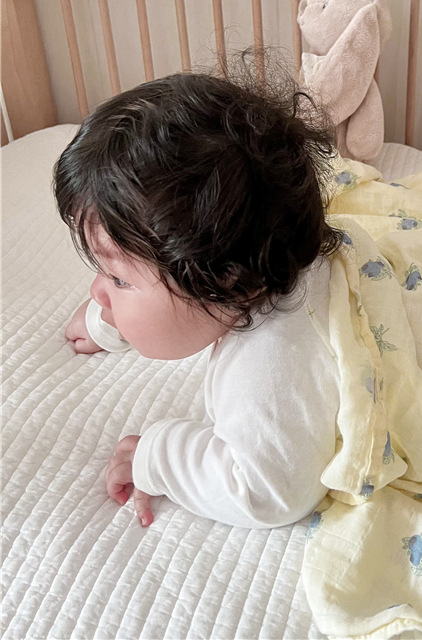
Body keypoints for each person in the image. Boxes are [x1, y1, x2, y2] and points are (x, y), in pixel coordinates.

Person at [56, 57, 343, 529]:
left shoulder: (272, 358)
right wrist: (111, 315)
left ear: (227, 282)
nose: (97, 291)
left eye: (119, 280)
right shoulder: (263, 249)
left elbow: (269, 491)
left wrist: (158, 457)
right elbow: (173, 306)